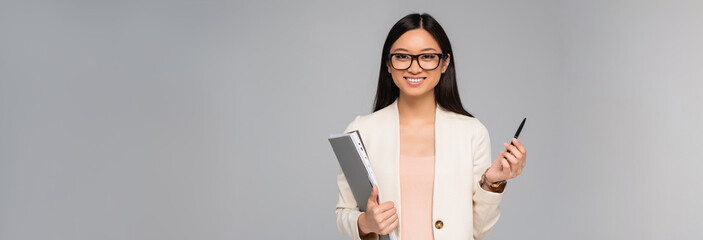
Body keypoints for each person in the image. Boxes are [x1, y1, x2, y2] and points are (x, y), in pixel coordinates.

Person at [334, 13, 527, 240]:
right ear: (388, 63)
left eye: (427, 56)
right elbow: (344, 214)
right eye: (402, 56)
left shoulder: (472, 132)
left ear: (445, 62)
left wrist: (491, 183)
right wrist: (366, 222)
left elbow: (478, 230)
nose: (414, 68)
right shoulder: (362, 131)